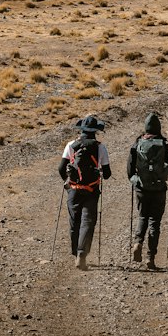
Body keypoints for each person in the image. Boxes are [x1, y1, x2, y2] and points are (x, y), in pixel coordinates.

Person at [126, 111, 168, 270]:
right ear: (158, 127)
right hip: (159, 189)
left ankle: (137, 242)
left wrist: (136, 181)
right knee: (155, 222)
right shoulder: (163, 144)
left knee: (143, 216)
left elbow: (129, 171)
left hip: (142, 188)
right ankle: (150, 257)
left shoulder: (137, 143)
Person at [59, 115, 111, 269]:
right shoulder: (100, 147)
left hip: (74, 190)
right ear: (95, 131)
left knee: (74, 222)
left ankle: (76, 253)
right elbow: (107, 174)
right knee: (87, 222)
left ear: (81, 130)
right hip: (92, 189)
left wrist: (69, 184)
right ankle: (82, 253)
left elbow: (61, 168)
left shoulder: (71, 145)